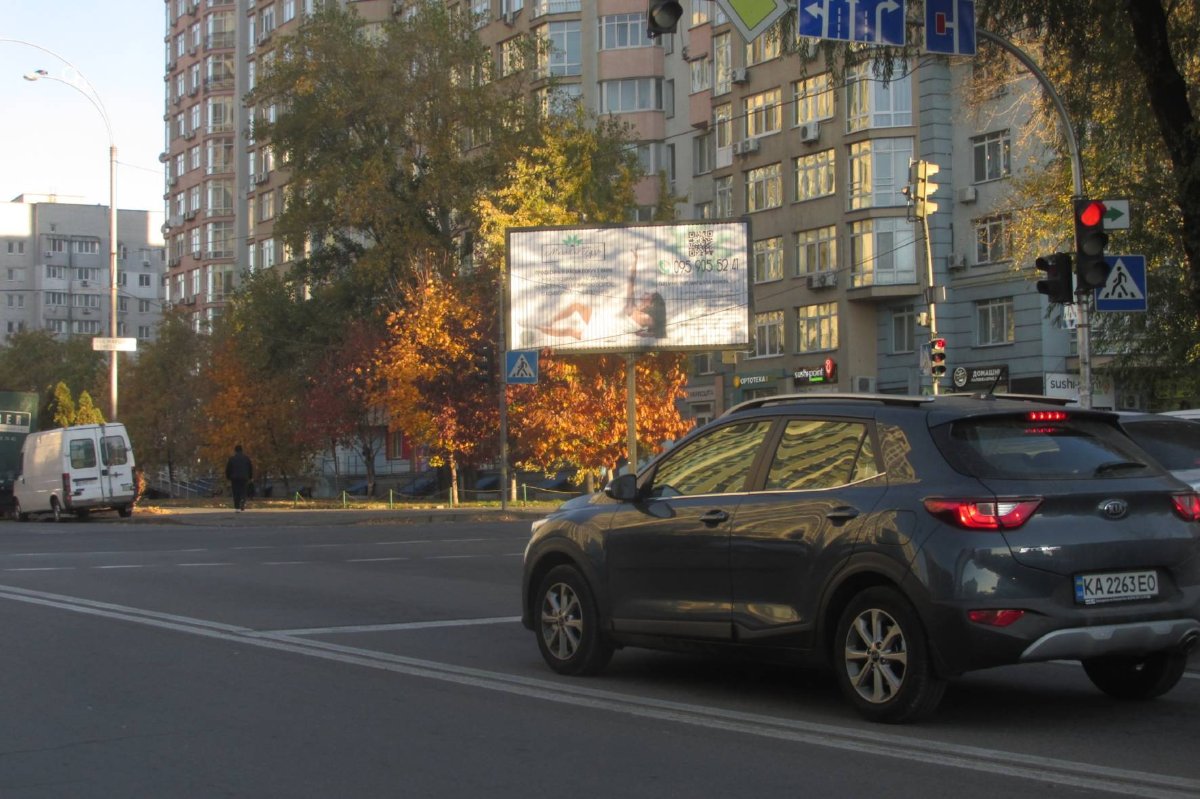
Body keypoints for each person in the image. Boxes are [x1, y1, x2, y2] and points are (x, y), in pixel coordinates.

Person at [532, 249, 667, 341]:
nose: (645, 295)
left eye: (648, 296)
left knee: (570, 330)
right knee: (576, 308)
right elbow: (631, 284)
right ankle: (547, 323)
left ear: (652, 302)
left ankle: (539, 327)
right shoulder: (639, 312)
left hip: (604, 333)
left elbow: (631, 284)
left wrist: (644, 334)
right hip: (603, 321)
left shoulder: (643, 315)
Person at [225, 444, 253, 511]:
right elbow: (250, 468)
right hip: (244, 477)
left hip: (234, 478)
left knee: (236, 492)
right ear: (242, 450)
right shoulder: (246, 458)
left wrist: (228, 477)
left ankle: (237, 506)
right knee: (243, 490)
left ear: (235, 451)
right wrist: (250, 477)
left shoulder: (232, 459)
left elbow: (228, 469)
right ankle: (242, 500)